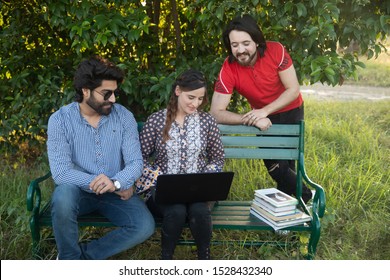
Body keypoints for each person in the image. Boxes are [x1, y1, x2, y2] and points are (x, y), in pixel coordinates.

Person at [47, 56, 155, 259]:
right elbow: (61, 173)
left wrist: (116, 182)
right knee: (63, 197)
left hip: (115, 192)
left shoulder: (123, 116)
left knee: (144, 226)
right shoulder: (60, 121)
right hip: (77, 193)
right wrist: (99, 182)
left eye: (114, 93)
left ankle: (83, 259)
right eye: (106, 94)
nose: (113, 99)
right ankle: (68, 257)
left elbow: (135, 162)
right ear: (86, 90)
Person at [210, 14, 312, 203]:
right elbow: (216, 112)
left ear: (256, 41)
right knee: (276, 167)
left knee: (287, 165)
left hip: (291, 109)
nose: (240, 50)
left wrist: (264, 111)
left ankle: (289, 214)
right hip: (261, 118)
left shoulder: (276, 51)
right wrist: (253, 118)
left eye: (245, 43)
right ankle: (307, 197)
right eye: (234, 45)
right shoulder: (229, 67)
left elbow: (293, 89)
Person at [139, 69, 225, 260]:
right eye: (191, 97)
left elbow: (218, 158)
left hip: (199, 190)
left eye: (200, 99)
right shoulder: (156, 120)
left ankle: (204, 258)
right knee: (176, 211)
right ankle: (166, 259)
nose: (195, 104)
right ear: (178, 91)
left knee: (200, 211)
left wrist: (206, 179)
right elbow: (139, 158)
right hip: (163, 190)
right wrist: (157, 179)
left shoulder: (207, 121)